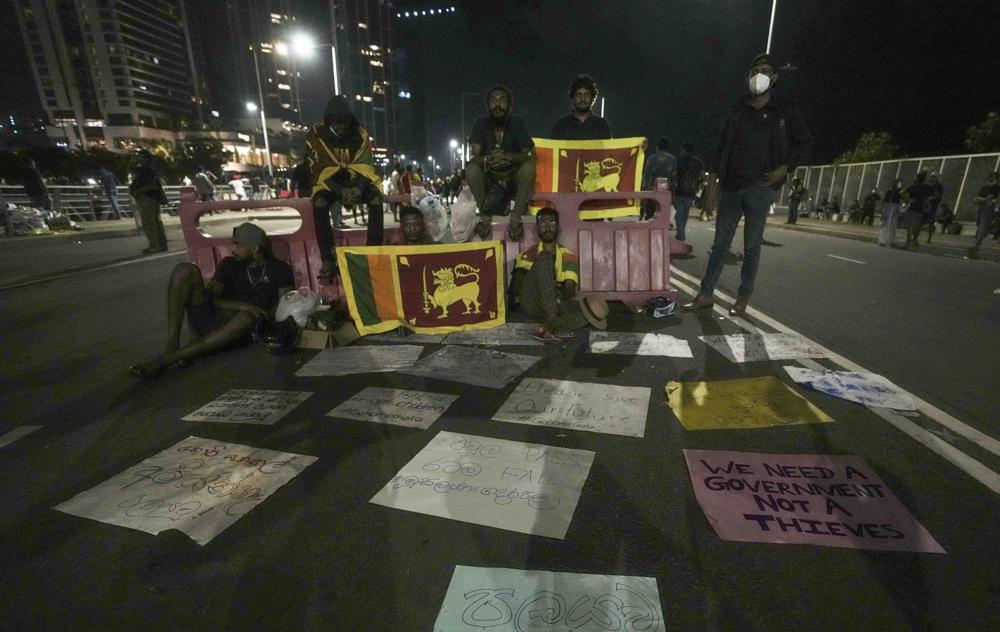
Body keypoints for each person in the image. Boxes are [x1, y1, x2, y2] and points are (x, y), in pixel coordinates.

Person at [683, 53, 813, 317]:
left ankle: (742, 299)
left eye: (764, 71)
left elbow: (805, 141)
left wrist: (785, 168)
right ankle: (706, 294)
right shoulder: (737, 109)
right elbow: (720, 150)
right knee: (720, 245)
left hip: (760, 188)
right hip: (731, 187)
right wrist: (710, 190)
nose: (759, 76)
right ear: (748, 77)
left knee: (752, 247)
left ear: (774, 77)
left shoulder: (784, 110)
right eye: (755, 71)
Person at [128, 223, 294, 379]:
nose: (233, 249)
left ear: (255, 248)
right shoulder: (229, 265)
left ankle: (167, 359)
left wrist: (261, 317)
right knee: (184, 270)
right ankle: (172, 343)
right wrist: (244, 305)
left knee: (246, 317)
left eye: (238, 245)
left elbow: (282, 307)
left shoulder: (279, 270)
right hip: (215, 317)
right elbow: (211, 299)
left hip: (242, 328)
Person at [306, 94, 384, 279]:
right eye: (337, 123)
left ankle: (373, 252)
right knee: (319, 204)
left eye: (345, 123)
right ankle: (327, 258)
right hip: (329, 183)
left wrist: (357, 188)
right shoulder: (317, 135)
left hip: (357, 180)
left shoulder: (360, 135)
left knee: (376, 198)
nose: (342, 127)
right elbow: (317, 169)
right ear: (330, 121)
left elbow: (366, 166)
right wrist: (340, 190)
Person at [509, 207, 607, 342]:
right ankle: (553, 321)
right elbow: (518, 286)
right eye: (543, 223)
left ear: (558, 227)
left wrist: (556, 293)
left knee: (590, 313)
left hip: (555, 302)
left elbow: (569, 288)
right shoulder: (529, 254)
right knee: (544, 257)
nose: (548, 227)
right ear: (537, 228)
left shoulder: (568, 256)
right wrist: (548, 286)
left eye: (552, 223)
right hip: (532, 301)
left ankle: (546, 327)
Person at [466, 85, 536, 241]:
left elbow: (528, 153)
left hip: (513, 177)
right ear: (488, 105)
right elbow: (474, 156)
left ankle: (516, 217)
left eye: (502, 100)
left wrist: (508, 157)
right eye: (493, 100)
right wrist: (487, 159)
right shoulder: (481, 123)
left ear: (509, 105)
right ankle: (485, 216)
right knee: (471, 170)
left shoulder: (517, 122)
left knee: (529, 166)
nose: (497, 104)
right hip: (490, 177)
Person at [128, 149, 169, 254]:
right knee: (155, 222)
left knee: (149, 223)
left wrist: (137, 192)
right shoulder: (149, 169)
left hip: (147, 198)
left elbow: (151, 185)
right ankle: (162, 244)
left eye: (139, 156)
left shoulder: (146, 171)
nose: (137, 158)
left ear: (144, 158)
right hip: (152, 198)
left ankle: (154, 245)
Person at [549, 74, 612, 140]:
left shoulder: (602, 125)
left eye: (587, 95)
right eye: (579, 95)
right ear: (572, 98)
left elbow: (608, 149)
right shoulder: (560, 126)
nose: (583, 99)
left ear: (592, 98)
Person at [640, 137, 677, 221]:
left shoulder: (651, 159)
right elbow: (674, 178)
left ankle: (649, 231)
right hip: (666, 192)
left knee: (650, 214)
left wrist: (644, 189)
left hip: (652, 191)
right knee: (662, 216)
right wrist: (673, 193)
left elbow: (646, 176)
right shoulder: (673, 159)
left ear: (657, 147)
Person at [901, 170, 934, 249]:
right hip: (921, 209)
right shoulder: (927, 187)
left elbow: (902, 192)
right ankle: (914, 240)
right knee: (917, 226)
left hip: (912, 207)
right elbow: (935, 194)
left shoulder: (913, 187)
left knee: (910, 226)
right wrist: (927, 200)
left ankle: (909, 243)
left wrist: (907, 200)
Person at [969, 172, 999, 258]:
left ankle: (976, 246)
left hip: (988, 207)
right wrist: (981, 199)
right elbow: (977, 198)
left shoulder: (995, 187)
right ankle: (976, 244)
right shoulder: (985, 187)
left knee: (983, 225)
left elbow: (988, 198)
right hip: (981, 206)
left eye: (992, 177)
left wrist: (980, 199)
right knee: (979, 224)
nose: (990, 178)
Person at [878, 178, 904, 247]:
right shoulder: (890, 191)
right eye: (898, 183)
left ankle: (891, 240)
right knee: (886, 224)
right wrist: (883, 211)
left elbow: (900, 202)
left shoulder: (900, 192)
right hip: (889, 208)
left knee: (893, 225)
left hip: (895, 209)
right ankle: (883, 240)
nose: (899, 185)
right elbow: (886, 202)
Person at [923, 172, 944, 244]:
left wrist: (930, 199)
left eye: (933, 177)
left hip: (933, 205)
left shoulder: (939, 186)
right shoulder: (930, 185)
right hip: (928, 204)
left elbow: (938, 195)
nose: (931, 178)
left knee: (931, 222)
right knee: (922, 220)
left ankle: (929, 238)